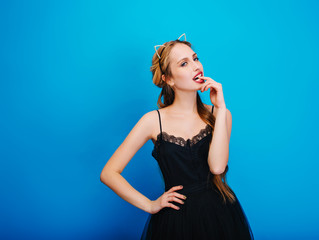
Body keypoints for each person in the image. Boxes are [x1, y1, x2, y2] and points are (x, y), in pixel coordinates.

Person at [100, 33, 254, 239]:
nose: (196, 66)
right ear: (169, 79)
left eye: (196, 58)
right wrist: (150, 204)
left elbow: (217, 167)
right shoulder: (152, 121)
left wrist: (221, 107)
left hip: (220, 214)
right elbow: (109, 173)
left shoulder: (220, 113)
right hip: (175, 221)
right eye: (184, 63)